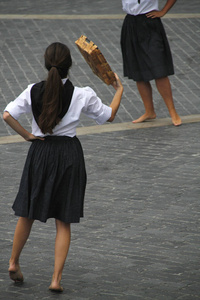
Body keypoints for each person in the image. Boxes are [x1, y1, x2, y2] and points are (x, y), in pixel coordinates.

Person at [3, 42, 123, 292]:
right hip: (68, 155)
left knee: (27, 212)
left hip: (40, 152)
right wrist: (119, 89)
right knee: (63, 219)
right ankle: (56, 279)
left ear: (46, 64)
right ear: (70, 65)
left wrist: (27, 135)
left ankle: (14, 262)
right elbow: (108, 115)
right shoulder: (83, 94)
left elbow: (6, 115)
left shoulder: (32, 90)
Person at [121, 0, 181, 126]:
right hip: (131, 23)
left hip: (150, 22)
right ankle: (149, 111)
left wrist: (163, 11)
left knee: (159, 69)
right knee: (138, 71)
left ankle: (173, 112)